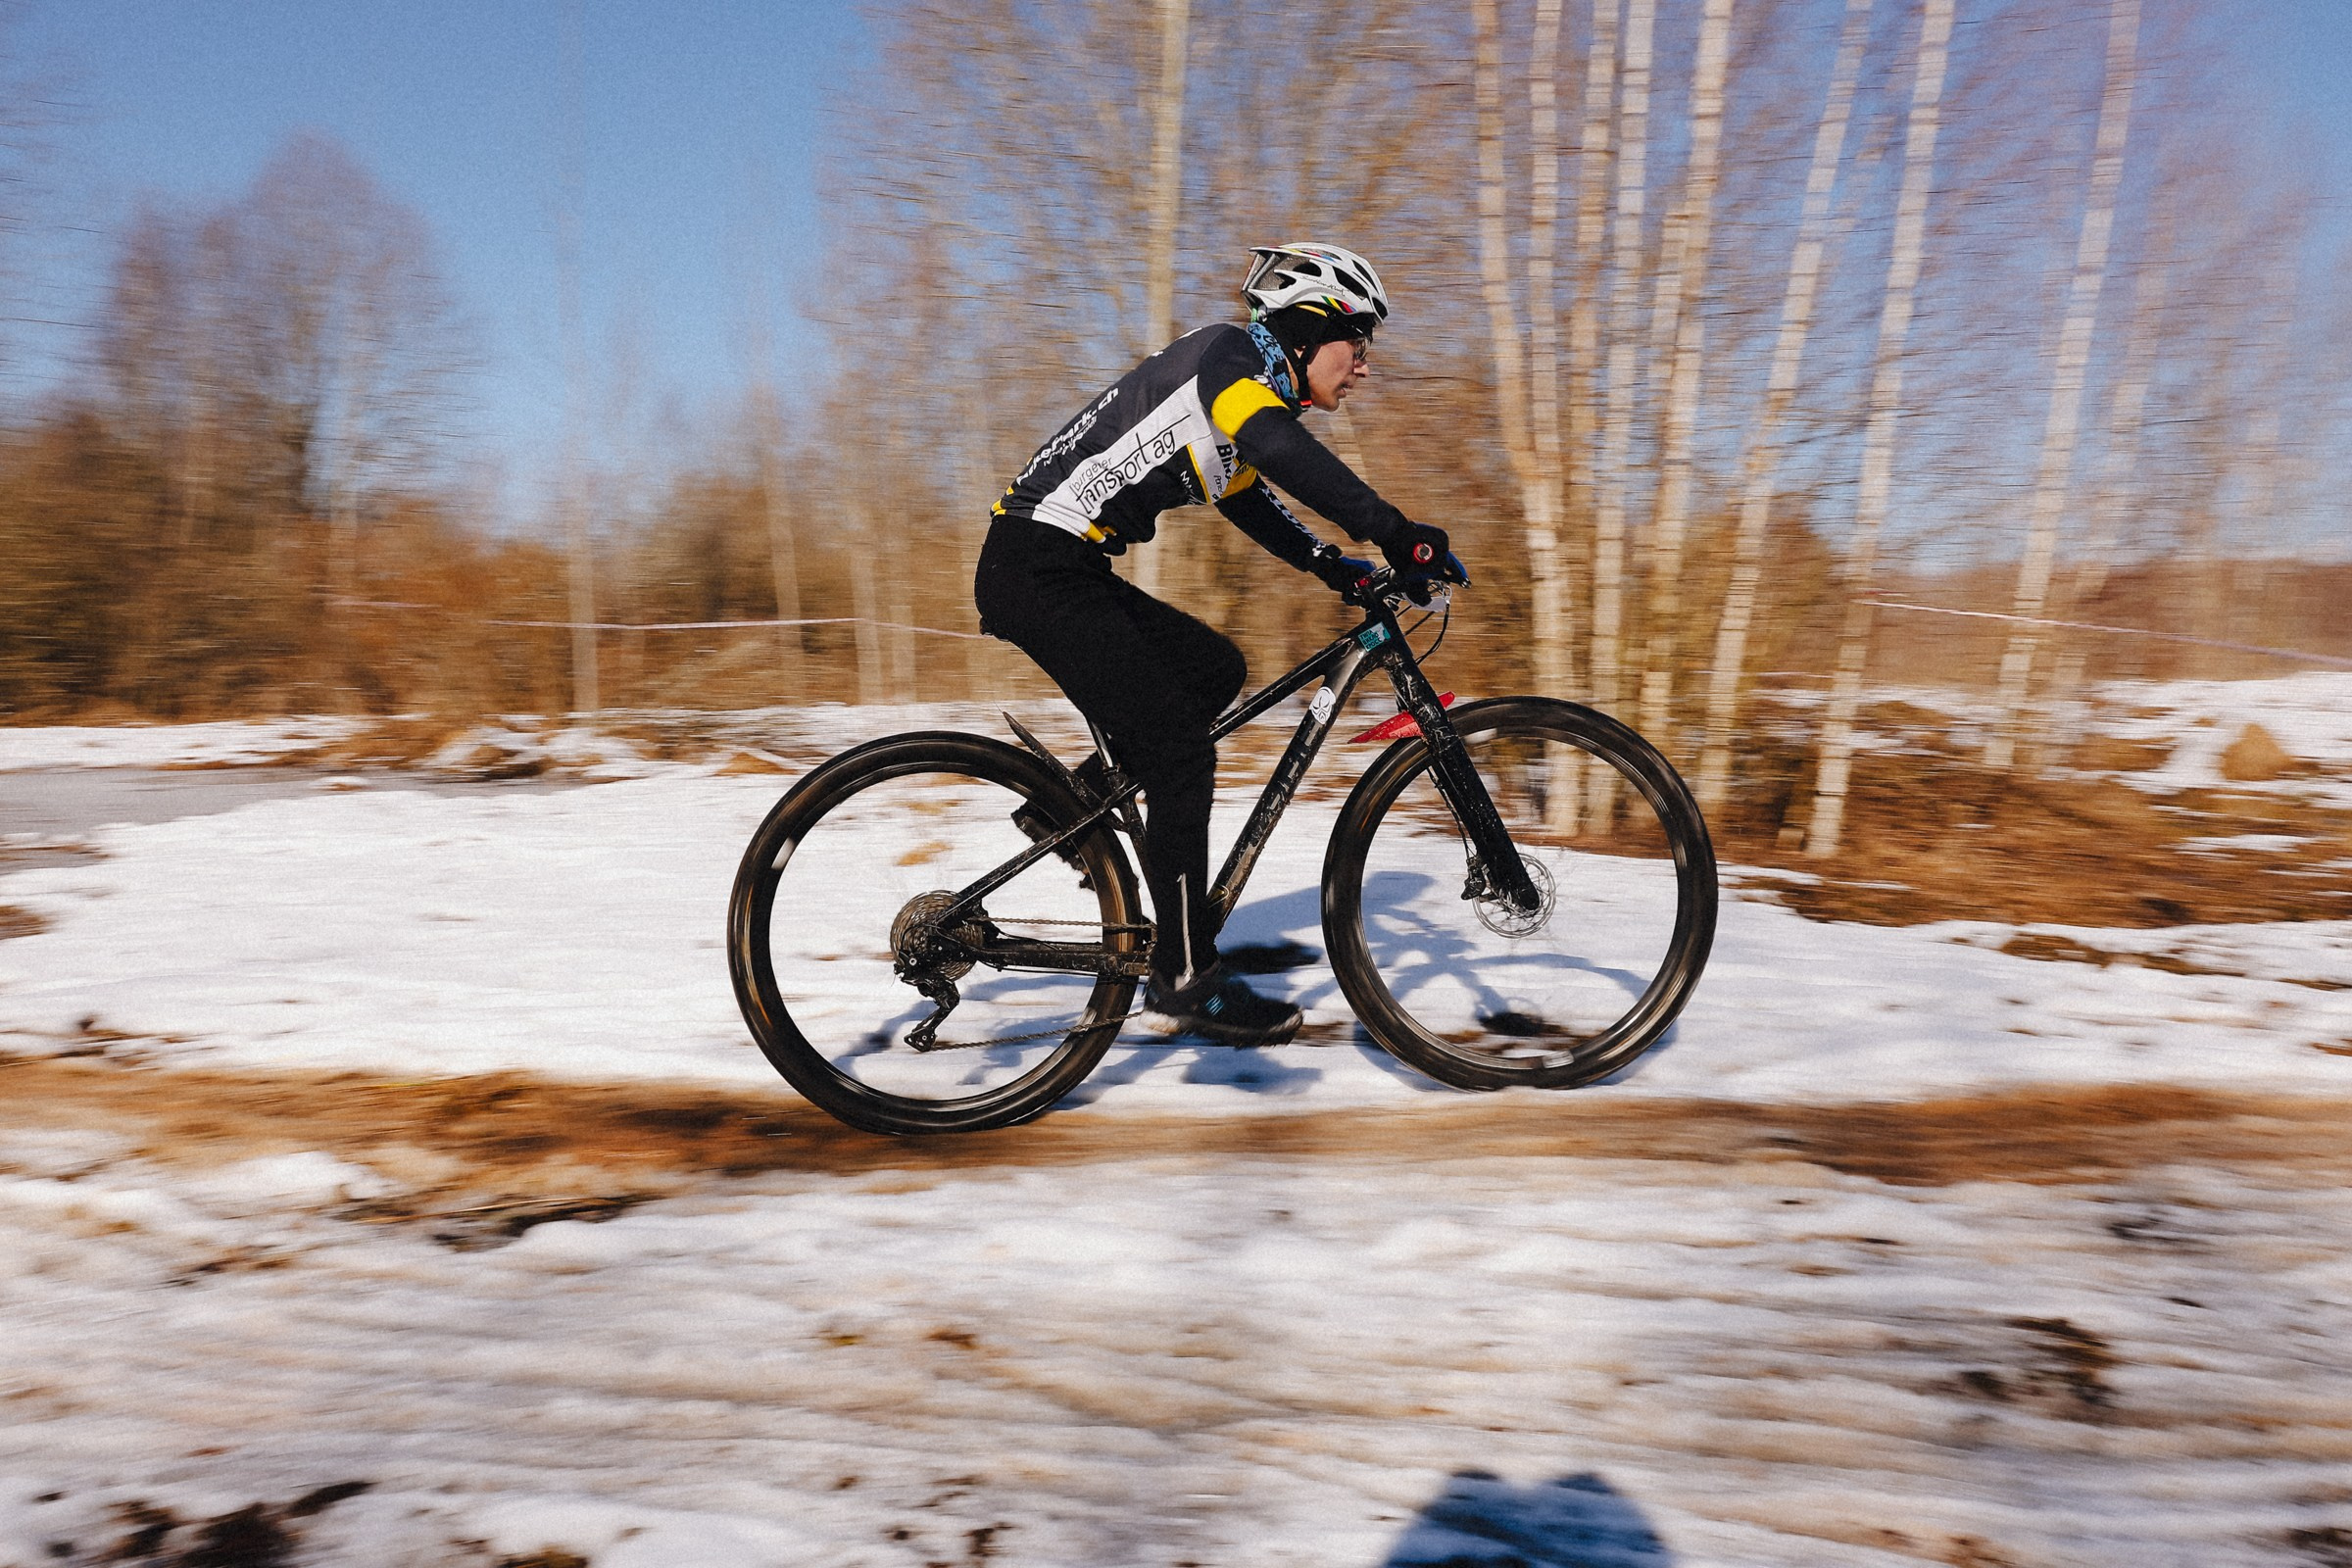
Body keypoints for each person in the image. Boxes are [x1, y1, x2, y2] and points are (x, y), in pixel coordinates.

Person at [974, 242, 1452, 1048]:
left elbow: (1247, 495)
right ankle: (1184, 973)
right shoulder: (1231, 361)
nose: (1363, 366)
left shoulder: (1238, 389)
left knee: (1213, 668)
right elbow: (1276, 452)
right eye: (1358, 341)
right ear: (1311, 329)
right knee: (1182, 755)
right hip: (1038, 568)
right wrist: (1396, 532)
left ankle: (1076, 807)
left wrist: (1338, 566)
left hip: (1056, 566)